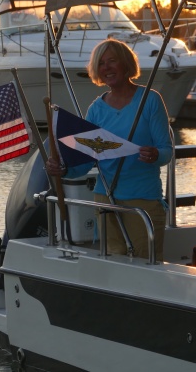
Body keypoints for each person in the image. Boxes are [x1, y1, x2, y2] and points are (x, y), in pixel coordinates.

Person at [46, 38, 173, 260]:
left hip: (142, 200)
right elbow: (87, 159)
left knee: (146, 265)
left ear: (125, 64)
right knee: (113, 265)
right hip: (105, 199)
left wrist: (155, 155)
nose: (106, 68)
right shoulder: (95, 109)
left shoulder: (150, 100)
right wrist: (63, 169)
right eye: (101, 63)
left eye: (112, 61)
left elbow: (166, 151)